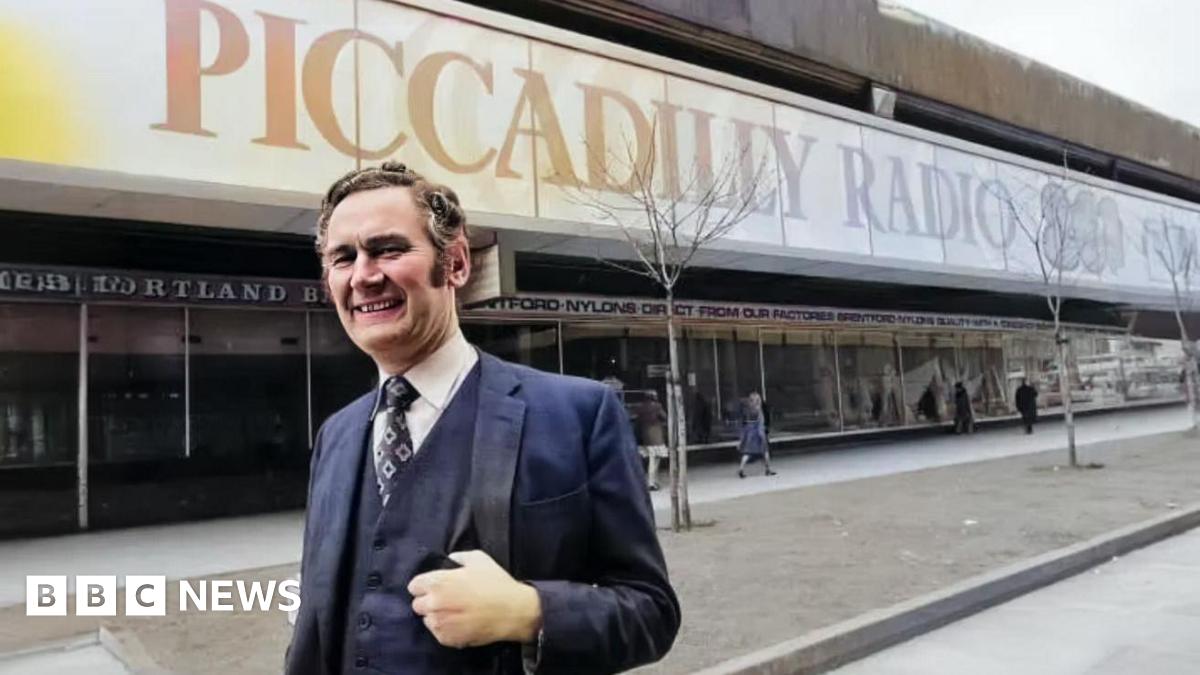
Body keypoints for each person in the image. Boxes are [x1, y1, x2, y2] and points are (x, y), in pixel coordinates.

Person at [286, 162, 679, 675]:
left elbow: (651, 612)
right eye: (344, 257)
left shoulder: (577, 415)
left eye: (388, 249)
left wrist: (530, 612)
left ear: (455, 265)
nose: (364, 274)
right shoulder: (335, 435)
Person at [736, 391, 776, 478]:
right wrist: (763, 437)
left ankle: (741, 469)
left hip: (749, 434)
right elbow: (760, 424)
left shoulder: (747, 410)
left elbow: (744, 424)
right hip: (758, 434)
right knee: (765, 452)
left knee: (747, 453)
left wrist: (742, 439)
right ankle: (768, 469)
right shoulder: (759, 411)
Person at [635, 391, 668, 491]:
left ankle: (652, 481)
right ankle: (651, 483)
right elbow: (664, 417)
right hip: (656, 437)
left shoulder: (640, 407)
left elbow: (637, 421)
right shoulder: (657, 406)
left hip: (645, 436)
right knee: (654, 461)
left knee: (651, 460)